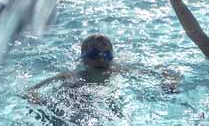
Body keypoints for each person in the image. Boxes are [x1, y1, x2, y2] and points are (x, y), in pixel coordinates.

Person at [26, 34, 179, 96]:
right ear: (83, 58)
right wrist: (35, 98)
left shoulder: (117, 70)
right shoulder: (74, 75)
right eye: (94, 54)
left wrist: (169, 82)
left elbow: (153, 73)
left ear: (112, 57)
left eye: (106, 55)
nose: (101, 60)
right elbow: (32, 90)